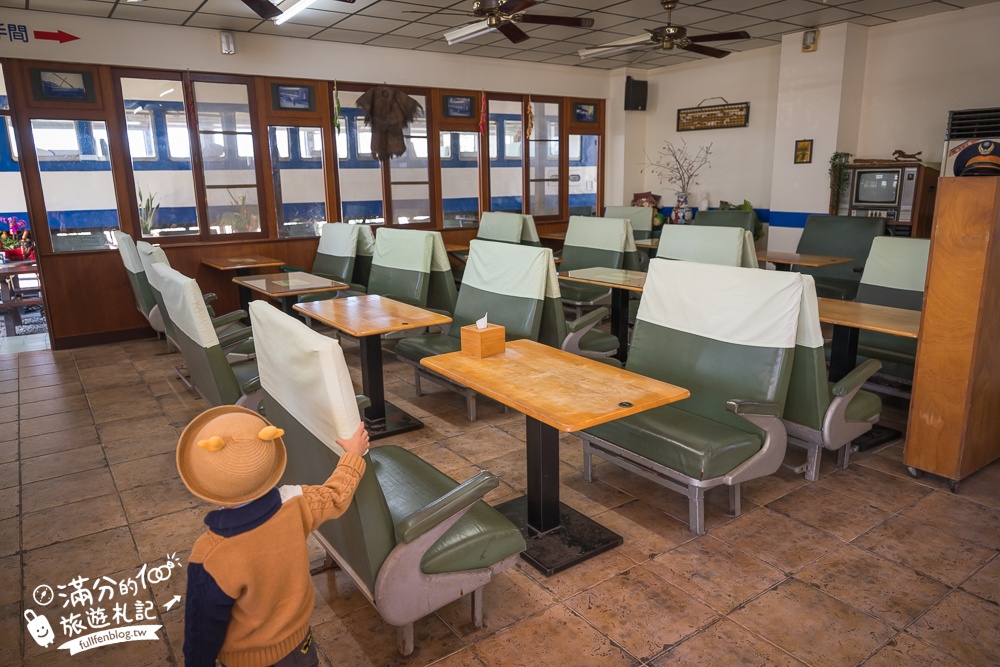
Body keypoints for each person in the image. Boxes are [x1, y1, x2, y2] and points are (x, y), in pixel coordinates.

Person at [177, 405, 370, 667]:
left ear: (206, 483)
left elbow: (202, 631)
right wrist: (353, 455)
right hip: (301, 644)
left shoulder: (210, 555)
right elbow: (336, 494)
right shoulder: (296, 502)